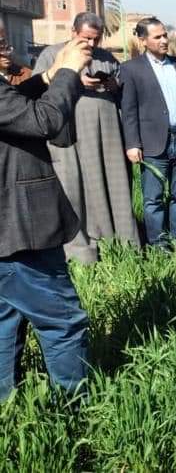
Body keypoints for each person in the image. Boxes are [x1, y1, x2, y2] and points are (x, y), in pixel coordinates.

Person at [0, 26, 93, 401]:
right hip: (21, 227)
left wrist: (48, 77)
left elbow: (14, 107)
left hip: (9, 229)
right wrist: (69, 72)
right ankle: (73, 413)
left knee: (5, 320)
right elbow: (43, 121)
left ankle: (7, 407)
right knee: (63, 321)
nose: (6, 48)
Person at [33, 12, 140, 263]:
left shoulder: (107, 58)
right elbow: (38, 89)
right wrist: (71, 80)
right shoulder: (52, 54)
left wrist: (113, 86)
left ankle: (121, 243)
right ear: (73, 32)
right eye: (86, 38)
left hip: (107, 138)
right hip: (70, 137)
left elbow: (123, 93)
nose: (91, 44)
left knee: (113, 185)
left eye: (96, 39)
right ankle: (81, 250)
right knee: (75, 188)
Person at [119, 18, 176, 248]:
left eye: (164, 35)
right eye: (157, 37)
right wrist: (132, 143)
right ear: (142, 40)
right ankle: (158, 247)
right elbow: (128, 110)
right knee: (153, 199)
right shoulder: (131, 69)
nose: (164, 40)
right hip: (152, 143)